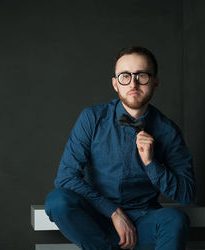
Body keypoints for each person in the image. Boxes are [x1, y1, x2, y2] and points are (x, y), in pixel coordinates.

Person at [45, 46, 196, 250]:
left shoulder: (168, 131)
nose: (133, 83)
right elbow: (65, 177)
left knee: (175, 219)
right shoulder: (92, 118)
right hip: (97, 222)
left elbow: (187, 194)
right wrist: (113, 212)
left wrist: (152, 164)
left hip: (144, 223)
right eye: (125, 76)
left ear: (155, 82)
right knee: (57, 201)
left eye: (141, 75)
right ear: (115, 84)